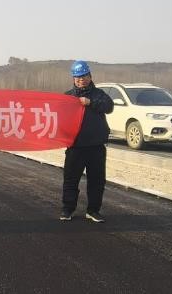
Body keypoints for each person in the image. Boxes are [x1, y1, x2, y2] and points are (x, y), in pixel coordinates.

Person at [61, 60, 114, 223]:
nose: (81, 79)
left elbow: (109, 107)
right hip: (75, 146)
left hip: (96, 146)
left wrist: (90, 102)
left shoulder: (99, 95)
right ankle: (67, 209)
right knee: (71, 179)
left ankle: (93, 210)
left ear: (90, 76)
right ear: (73, 78)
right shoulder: (67, 97)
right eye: (78, 77)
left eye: (84, 76)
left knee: (97, 181)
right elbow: (59, 117)